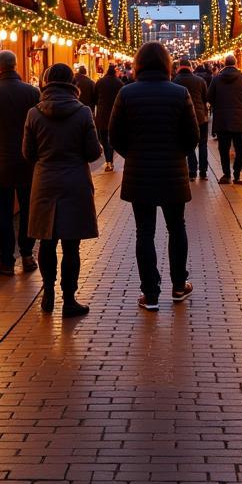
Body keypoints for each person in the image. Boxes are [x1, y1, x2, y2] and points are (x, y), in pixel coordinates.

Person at [110, 41, 199, 310]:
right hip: (173, 173)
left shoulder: (126, 94)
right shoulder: (180, 92)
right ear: (166, 63)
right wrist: (176, 155)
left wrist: (134, 155)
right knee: (177, 227)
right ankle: (178, 286)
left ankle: (150, 294)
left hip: (140, 174)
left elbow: (114, 136)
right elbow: (193, 136)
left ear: (137, 64)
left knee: (144, 232)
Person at [23, 63, 103, 317]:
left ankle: (48, 290)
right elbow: (92, 152)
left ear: (46, 82)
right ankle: (69, 298)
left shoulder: (34, 113)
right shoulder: (82, 113)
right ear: (73, 83)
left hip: (45, 181)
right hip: (75, 182)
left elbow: (28, 153)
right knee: (71, 245)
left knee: (46, 241)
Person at [0, 50, 41, 276]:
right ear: (15, 65)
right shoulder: (32, 92)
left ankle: (6, 261)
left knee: (3, 212)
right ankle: (28, 255)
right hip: (26, 161)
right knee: (27, 209)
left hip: (0, 162)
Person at [207, 53, 242, 185]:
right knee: (240, 149)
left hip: (222, 119)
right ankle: (237, 174)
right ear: (236, 64)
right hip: (240, 119)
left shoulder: (216, 79)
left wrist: (217, 107)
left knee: (223, 149)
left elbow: (209, 97)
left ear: (224, 64)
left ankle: (226, 174)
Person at [173, 57, 210, 180]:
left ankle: (192, 171)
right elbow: (206, 98)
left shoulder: (175, 81)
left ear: (179, 68)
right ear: (190, 67)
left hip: (184, 118)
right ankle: (203, 171)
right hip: (201, 117)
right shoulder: (200, 81)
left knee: (189, 144)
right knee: (203, 144)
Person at [94, 63, 123, 172]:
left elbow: (95, 97)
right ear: (115, 72)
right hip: (114, 116)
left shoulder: (100, 82)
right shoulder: (119, 83)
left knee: (103, 140)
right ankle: (110, 160)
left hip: (102, 116)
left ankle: (108, 161)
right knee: (112, 139)